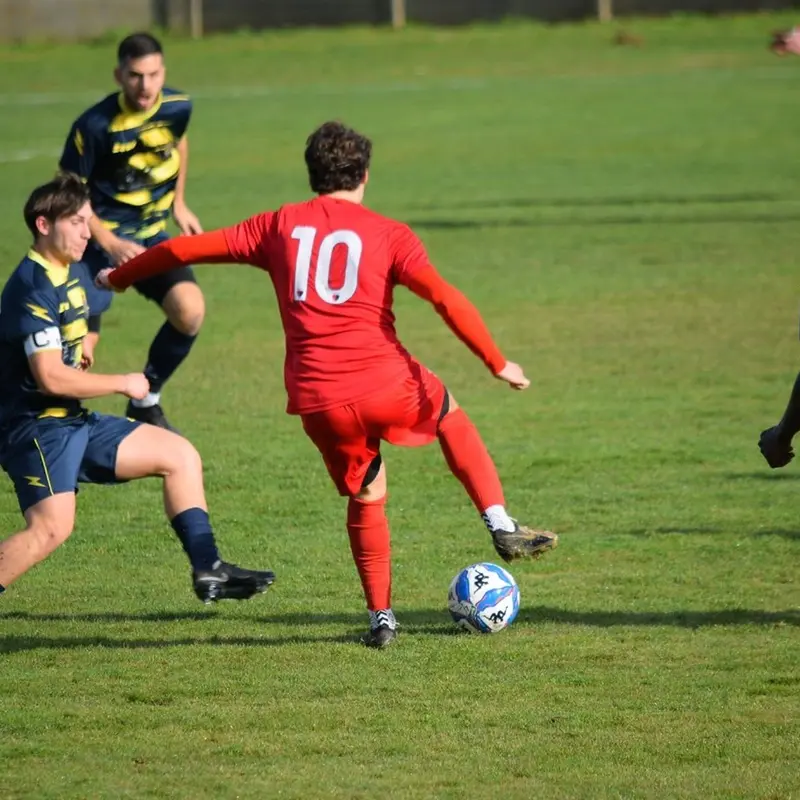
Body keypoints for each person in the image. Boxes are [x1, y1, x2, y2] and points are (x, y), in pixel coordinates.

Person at [97, 121, 558, 648]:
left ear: (313, 174)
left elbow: (183, 250)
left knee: (368, 496)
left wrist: (119, 277)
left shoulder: (276, 225)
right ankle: (498, 520)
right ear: (364, 174)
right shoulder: (389, 233)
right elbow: (446, 299)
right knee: (448, 412)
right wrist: (496, 361)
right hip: (385, 379)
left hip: (319, 399)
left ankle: (382, 619)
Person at [0, 172, 274, 604]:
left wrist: (84, 349)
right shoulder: (32, 288)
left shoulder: (66, 274)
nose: (87, 232)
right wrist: (122, 382)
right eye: (76, 222)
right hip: (36, 429)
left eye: (88, 221)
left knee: (179, 455)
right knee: (50, 529)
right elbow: (49, 377)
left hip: (72, 421)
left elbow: (72, 339)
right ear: (43, 224)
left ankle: (209, 567)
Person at [58, 32, 205, 431]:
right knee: (80, 344)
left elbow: (179, 142)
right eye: (136, 76)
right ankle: (59, 425)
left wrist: (178, 202)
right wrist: (108, 242)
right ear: (119, 75)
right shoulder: (94, 125)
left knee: (189, 312)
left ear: (163, 73)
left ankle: (147, 399)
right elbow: (69, 192)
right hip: (94, 242)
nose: (146, 85)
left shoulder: (178, 106)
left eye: (153, 74)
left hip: (151, 235)